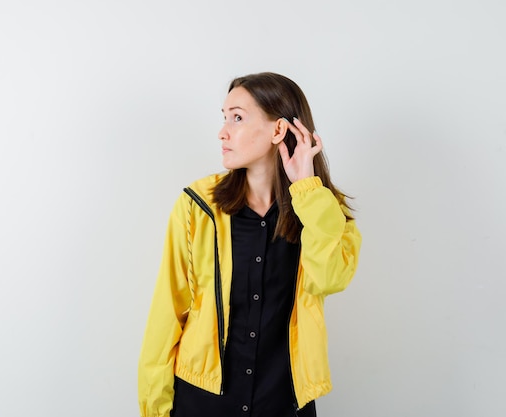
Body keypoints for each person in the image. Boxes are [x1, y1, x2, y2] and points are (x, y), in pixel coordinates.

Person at [138, 72, 362, 417]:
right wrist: (154, 409)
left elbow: (331, 278)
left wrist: (307, 190)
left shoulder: (323, 210)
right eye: (224, 117)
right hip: (202, 403)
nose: (222, 131)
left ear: (278, 130)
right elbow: (167, 312)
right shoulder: (197, 207)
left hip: (284, 403)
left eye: (238, 118)